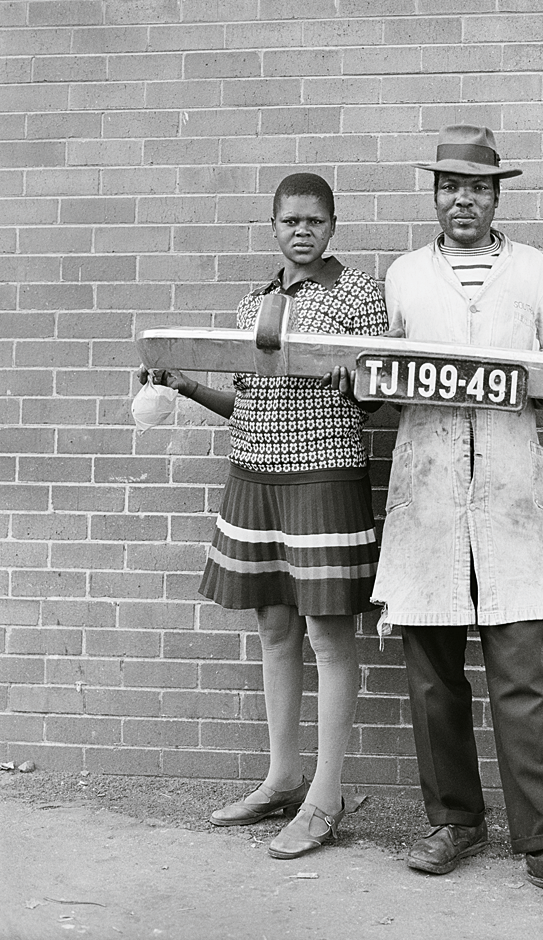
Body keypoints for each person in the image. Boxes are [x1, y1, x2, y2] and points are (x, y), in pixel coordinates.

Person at [372, 125, 543, 913]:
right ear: (434, 194)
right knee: (433, 677)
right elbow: (382, 373)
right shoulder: (404, 275)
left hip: (507, 493)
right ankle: (454, 821)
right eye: (448, 186)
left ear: (496, 195)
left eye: (475, 187)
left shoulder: (532, 269)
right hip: (429, 490)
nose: (461, 199)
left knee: (519, 675)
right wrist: (365, 377)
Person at [138, 172, 388, 859]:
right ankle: (282, 777)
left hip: (323, 476)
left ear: (332, 224)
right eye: (289, 221)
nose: (301, 231)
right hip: (255, 474)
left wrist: (356, 381)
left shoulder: (360, 296)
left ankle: (325, 796)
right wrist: (187, 385)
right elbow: (248, 401)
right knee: (274, 630)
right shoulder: (255, 301)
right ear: (273, 226)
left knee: (330, 639)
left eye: (314, 220)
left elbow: (376, 401)